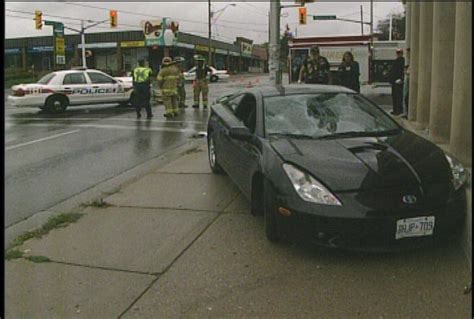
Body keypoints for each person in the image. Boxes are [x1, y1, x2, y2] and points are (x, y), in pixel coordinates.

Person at [389, 48, 405, 115]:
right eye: (397, 53)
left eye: (399, 53)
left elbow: (401, 71)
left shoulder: (402, 61)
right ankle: (395, 109)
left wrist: (401, 79)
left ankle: (398, 110)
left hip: (398, 81)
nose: (398, 54)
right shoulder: (397, 61)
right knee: (395, 96)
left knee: (398, 96)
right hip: (394, 81)